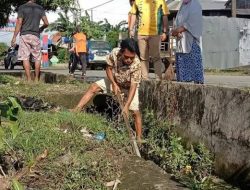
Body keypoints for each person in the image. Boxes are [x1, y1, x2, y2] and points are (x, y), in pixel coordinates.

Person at [72, 38, 142, 141]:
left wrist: (126, 106)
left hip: (128, 87)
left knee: (135, 112)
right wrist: (113, 83)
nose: (129, 60)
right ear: (121, 52)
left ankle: (139, 138)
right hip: (115, 80)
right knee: (94, 87)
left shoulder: (136, 63)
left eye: (131, 58)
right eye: (126, 57)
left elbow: (133, 86)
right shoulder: (114, 53)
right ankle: (77, 109)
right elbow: (108, 68)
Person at [129, 0, 169, 80]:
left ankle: (158, 80)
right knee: (143, 58)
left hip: (155, 33)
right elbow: (133, 14)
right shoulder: (137, 1)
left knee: (156, 57)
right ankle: (145, 79)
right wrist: (131, 29)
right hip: (141, 33)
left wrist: (165, 31)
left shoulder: (161, 1)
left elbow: (164, 16)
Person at [11, 0, 49, 81]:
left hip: (25, 35)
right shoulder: (40, 8)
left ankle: (28, 79)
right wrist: (40, 28)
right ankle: (36, 79)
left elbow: (19, 22)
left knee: (25, 57)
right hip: (36, 35)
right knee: (37, 57)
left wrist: (14, 36)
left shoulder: (22, 7)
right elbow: (46, 23)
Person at [171, 0, 204, 84]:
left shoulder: (195, 5)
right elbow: (177, 21)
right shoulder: (183, 5)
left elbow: (192, 22)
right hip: (181, 40)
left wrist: (178, 30)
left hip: (191, 40)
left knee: (194, 65)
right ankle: (183, 83)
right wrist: (175, 31)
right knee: (182, 67)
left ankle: (197, 85)